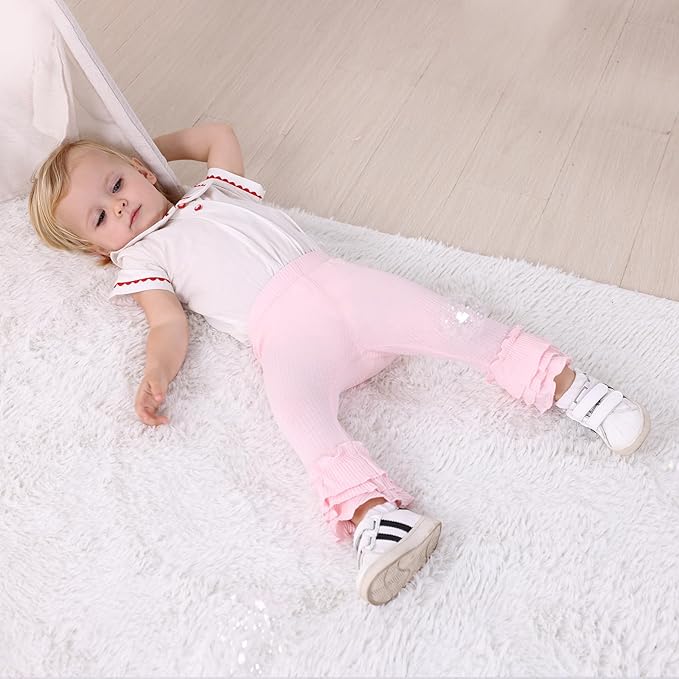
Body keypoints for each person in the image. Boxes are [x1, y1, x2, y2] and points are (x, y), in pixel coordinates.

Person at [27, 122, 651, 606]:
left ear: (141, 171)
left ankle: (572, 388)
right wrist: (157, 373)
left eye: (117, 185)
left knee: (451, 322)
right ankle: (377, 517)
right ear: (99, 248)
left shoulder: (216, 192)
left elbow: (216, 134)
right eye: (100, 216)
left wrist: (145, 147)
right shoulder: (142, 259)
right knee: (297, 415)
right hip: (287, 341)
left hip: (346, 287)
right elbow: (167, 325)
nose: (119, 207)